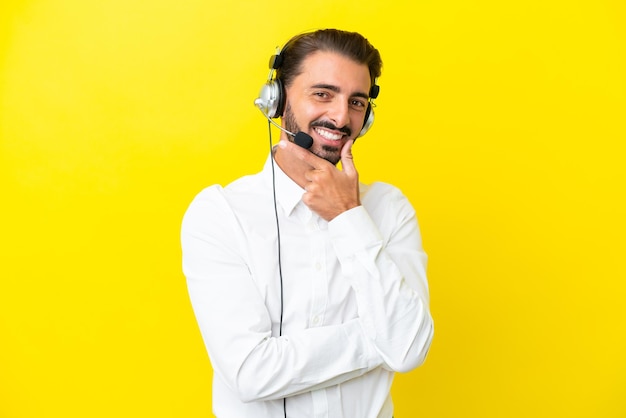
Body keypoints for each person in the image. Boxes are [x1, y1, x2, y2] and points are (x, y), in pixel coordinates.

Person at [181, 29, 434, 418]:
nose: (340, 116)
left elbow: (409, 348)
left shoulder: (389, 208)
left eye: (356, 101)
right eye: (322, 94)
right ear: (277, 100)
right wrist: (380, 338)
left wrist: (349, 216)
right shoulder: (221, 214)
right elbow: (250, 373)